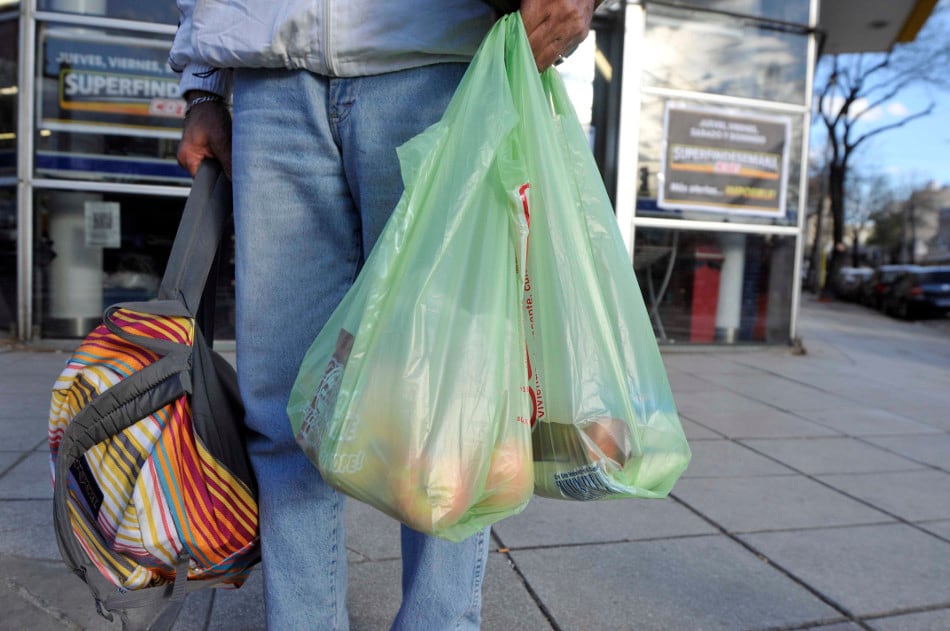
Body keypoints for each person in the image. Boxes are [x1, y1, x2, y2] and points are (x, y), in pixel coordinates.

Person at [170, 1, 596, 628]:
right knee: (283, 412)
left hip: (436, 61)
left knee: (453, 416)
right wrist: (203, 83)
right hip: (272, 77)